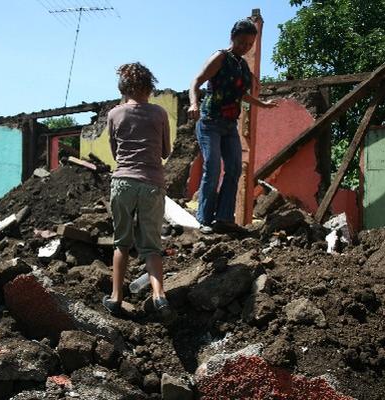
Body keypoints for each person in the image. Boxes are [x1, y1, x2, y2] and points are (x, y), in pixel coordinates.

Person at [188, 18, 278, 234]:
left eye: (249, 44)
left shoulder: (242, 65)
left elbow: (241, 93)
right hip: (210, 122)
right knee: (213, 167)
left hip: (229, 125)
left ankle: (224, 218)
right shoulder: (221, 57)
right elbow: (196, 82)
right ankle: (204, 219)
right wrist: (193, 103)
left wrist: (262, 104)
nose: (245, 47)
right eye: (242, 42)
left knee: (235, 168)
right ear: (233, 37)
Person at [102, 62, 172, 319]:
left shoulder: (114, 114)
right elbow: (165, 152)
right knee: (151, 247)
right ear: (150, 87)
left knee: (122, 243)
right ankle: (159, 295)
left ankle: (115, 298)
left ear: (123, 88)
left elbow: (115, 153)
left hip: (123, 183)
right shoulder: (160, 113)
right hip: (152, 184)